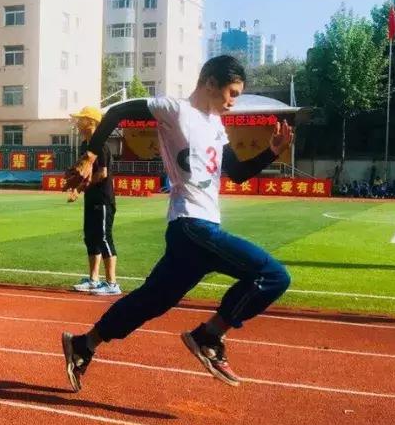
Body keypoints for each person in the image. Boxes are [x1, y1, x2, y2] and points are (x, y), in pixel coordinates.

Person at [61, 55, 294, 390]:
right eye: (231, 92)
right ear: (210, 83)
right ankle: (209, 336)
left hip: (195, 231)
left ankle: (84, 344)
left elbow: (239, 174)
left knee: (150, 302)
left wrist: (272, 152)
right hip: (191, 225)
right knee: (272, 275)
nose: (232, 102)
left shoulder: (216, 125)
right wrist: (90, 154)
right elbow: (118, 112)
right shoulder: (175, 110)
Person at [68, 105, 120, 296]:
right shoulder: (85, 146)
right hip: (91, 197)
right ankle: (93, 279)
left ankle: (112, 283)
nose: (78, 123)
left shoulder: (101, 146)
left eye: (81, 119)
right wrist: (77, 186)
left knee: (104, 238)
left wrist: (81, 188)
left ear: (91, 123)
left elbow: (102, 173)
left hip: (103, 199)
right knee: (91, 237)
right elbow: (85, 172)